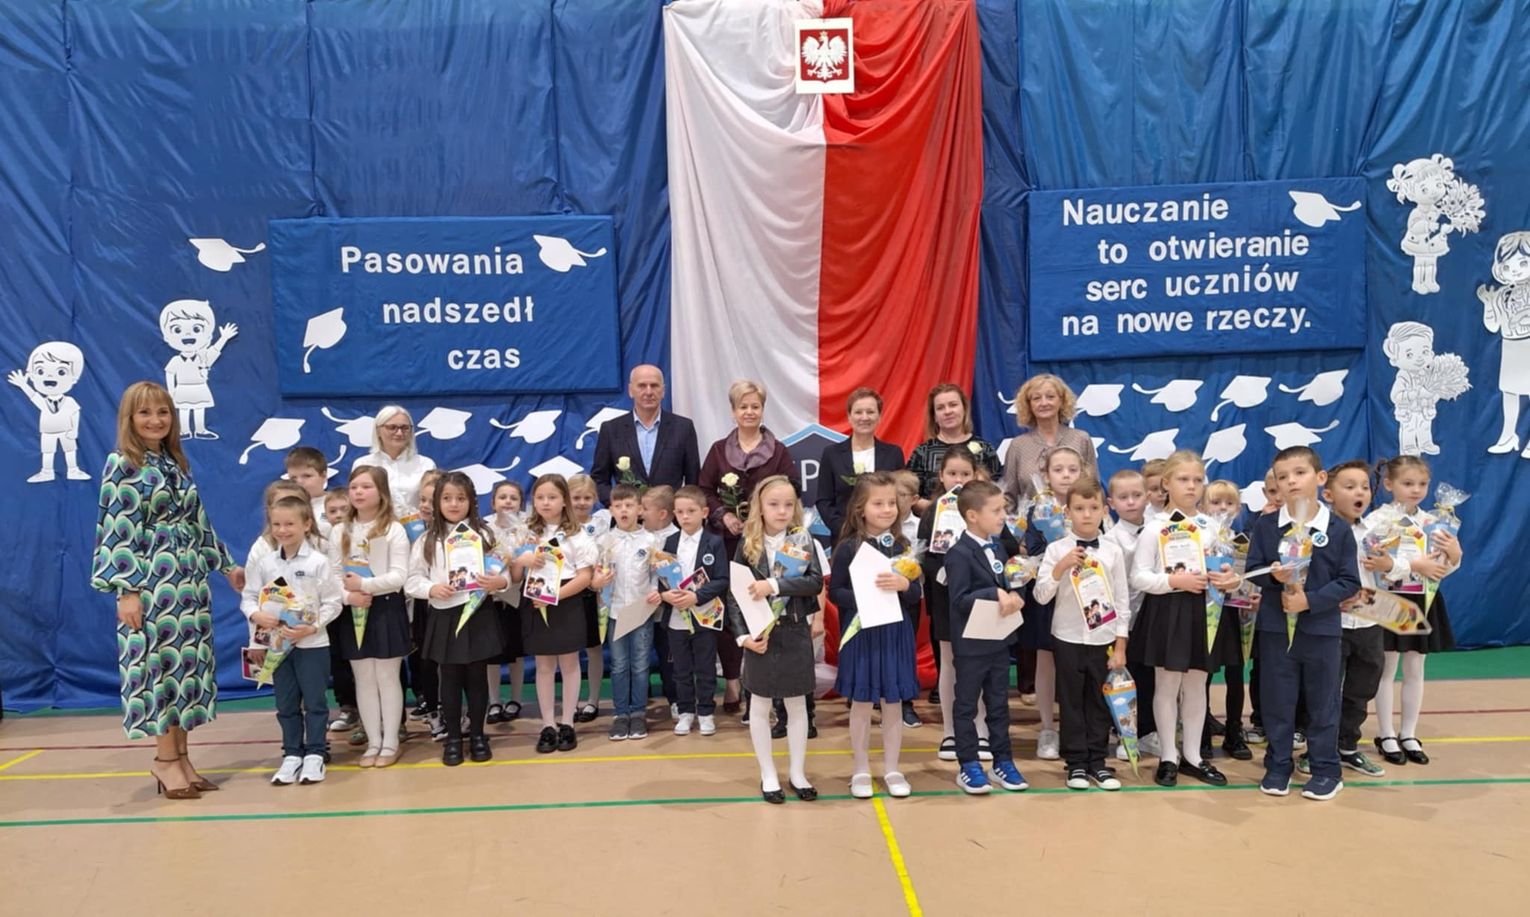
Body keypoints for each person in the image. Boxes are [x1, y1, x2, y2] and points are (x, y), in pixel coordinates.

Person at [91, 381, 245, 800]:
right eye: (145, 413)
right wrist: (126, 589)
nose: (155, 420)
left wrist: (226, 565)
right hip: (152, 583)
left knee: (185, 671)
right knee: (160, 669)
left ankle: (182, 758)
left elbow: (198, 520)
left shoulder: (174, 461)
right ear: (129, 418)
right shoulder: (123, 463)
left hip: (188, 583)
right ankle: (163, 760)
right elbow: (117, 528)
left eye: (163, 412)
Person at [1245, 446, 1361, 801]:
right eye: (1283, 476)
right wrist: (1274, 577)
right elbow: (1253, 570)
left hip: (1321, 631)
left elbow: (1349, 582)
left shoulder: (1338, 529)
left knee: (1323, 702)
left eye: (1300, 473)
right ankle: (1278, 764)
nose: (1291, 481)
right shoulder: (1266, 525)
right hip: (1276, 630)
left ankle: (1326, 769)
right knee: (1277, 701)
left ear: (1320, 478)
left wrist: (1310, 600)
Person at [1129, 450, 1243, 788]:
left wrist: (1230, 580)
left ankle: (1193, 756)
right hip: (1168, 611)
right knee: (1167, 685)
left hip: (1206, 611)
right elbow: (1139, 576)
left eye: (1197, 480)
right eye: (1183, 479)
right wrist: (1174, 581)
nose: (1191, 486)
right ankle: (1168, 755)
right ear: (1166, 483)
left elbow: (1229, 569)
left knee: (1196, 685)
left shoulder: (1213, 527)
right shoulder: (1155, 528)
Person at [700, 380, 795, 715]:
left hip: (765, 544)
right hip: (727, 544)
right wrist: (723, 515)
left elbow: (792, 489)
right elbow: (703, 490)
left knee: (764, 609)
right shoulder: (717, 450)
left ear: (762, 410)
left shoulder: (778, 451)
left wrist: (761, 518)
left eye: (755, 406)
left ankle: (763, 687)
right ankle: (732, 681)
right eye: (743, 406)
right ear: (733, 411)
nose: (749, 412)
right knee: (732, 612)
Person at [726, 476, 822, 804]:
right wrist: (743, 637)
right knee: (760, 703)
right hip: (760, 634)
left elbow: (814, 583)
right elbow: (736, 594)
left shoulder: (802, 539)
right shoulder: (747, 543)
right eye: (774, 504)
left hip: (794, 630)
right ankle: (768, 774)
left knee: (797, 704)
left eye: (788, 504)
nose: (782, 511)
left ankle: (797, 772)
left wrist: (775, 585)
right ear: (760, 507)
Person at [406, 472, 510, 766]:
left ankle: (477, 735)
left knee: (477, 678)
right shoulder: (427, 540)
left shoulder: (486, 535)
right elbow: (412, 580)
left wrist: (499, 583)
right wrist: (431, 589)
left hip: (478, 612)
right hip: (445, 614)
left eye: (461, 498)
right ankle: (453, 738)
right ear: (437, 502)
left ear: (472, 501)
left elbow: (503, 572)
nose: (454, 504)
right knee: (449, 679)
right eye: (447, 498)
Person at [1033, 477, 1129, 790]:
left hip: (1103, 638)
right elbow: (1040, 596)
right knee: (1071, 700)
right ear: (1067, 512)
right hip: (1067, 637)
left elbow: (1122, 601)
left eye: (1093, 508)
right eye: (1079, 508)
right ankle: (1075, 763)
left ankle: (1098, 762)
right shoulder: (1056, 549)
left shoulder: (1113, 552)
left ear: (1104, 510)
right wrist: (1060, 567)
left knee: (1099, 701)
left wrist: (1120, 645)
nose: (1086, 514)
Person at [831, 473, 922, 799]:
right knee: (861, 702)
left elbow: (915, 595)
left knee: (893, 703)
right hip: (862, 634)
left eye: (892, 503)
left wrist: (905, 585)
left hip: (895, 633)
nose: (887, 509)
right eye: (878, 503)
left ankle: (893, 769)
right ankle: (860, 769)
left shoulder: (903, 546)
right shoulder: (848, 548)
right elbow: (835, 592)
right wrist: (865, 594)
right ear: (860, 508)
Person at [1366, 455, 1461, 767]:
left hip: (1423, 599)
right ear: (1389, 484)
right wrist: (1406, 565)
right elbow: (1370, 561)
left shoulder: (1435, 522)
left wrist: (1454, 555)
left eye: (1422, 484)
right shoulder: (1377, 520)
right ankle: (1386, 733)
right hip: (1389, 600)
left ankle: (1408, 733)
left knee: (1416, 668)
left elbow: (1443, 568)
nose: (1416, 490)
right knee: (1385, 668)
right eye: (1408, 483)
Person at [242, 496, 342, 786]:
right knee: (285, 703)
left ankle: (315, 753)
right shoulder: (265, 563)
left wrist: (312, 627)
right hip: (277, 646)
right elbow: (249, 597)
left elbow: (333, 602)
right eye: (277, 524)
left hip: (312, 645)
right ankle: (292, 754)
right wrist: (256, 615)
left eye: (290, 524)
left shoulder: (318, 562)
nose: (283, 530)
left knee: (315, 701)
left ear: (306, 524)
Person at [943, 480, 1028, 795]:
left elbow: (1009, 581)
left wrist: (1016, 595)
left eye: (1003, 509)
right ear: (972, 515)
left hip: (999, 639)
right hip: (971, 644)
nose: (1003, 516)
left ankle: (1003, 760)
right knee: (966, 705)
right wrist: (994, 593)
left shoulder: (999, 547)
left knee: (999, 704)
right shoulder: (958, 553)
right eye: (996, 510)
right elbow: (959, 600)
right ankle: (968, 764)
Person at [1309, 460, 1388, 778]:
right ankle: (1317, 750)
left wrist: (1389, 565)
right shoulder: (1319, 533)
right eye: (1350, 486)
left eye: (1365, 487)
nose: (1360, 493)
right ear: (1328, 494)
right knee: (1325, 689)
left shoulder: (1375, 532)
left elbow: (1391, 575)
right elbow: (1308, 573)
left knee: (1362, 688)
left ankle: (1347, 746)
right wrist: (1331, 596)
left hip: (1369, 622)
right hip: (1332, 625)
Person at [331, 465, 411, 768]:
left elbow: (399, 576)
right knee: (363, 678)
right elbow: (332, 575)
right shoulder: (340, 531)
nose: (358, 492)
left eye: (366, 487)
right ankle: (373, 741)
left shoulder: (393, 529)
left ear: (381, 492)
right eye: (354, 487)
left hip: (385, 608)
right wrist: (348, 596)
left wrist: (365, 585)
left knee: (387, 677)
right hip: (353, 609)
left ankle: (390, 742)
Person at [511, 475, 597, 755]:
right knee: (544, 664)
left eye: (552, 497)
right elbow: (515, 576)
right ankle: (548, 724)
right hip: (535, 599)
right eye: (540, 497)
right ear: (533, 501)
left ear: (564, 501)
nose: (546, 503)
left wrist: (555, 596)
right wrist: (521, 560)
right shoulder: (525, 533)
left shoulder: (577, 535)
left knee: (570, 663)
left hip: (565, 599)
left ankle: (567, 722)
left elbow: (585, 577)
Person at [1020, 446, 1087, 761]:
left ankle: (1079, 726)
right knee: (1045, 661)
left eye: (1073, 469)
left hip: (1084, 594)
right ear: (1046, 475)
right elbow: (1031, 550)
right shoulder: (1038, 509)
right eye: (1058, 470)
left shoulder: (1088, 504)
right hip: (1049, 594)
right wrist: (1055, 548)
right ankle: (1047, 728)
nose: (1066, 475)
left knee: (1079, 663)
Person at [657, 486, 731, 738]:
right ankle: (686, 712)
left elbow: (722, 579)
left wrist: (697, 596)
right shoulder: (669, 542)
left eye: (691, 511)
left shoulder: (714, 542)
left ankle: (707, 712)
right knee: (681, 669)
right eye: (680, 512)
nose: (685, 516)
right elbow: (662, 579)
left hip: (704, 615)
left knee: (705, 667)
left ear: (705, 512)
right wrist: (666, 595)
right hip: (677, 617)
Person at [1102, 469, 1161, 762]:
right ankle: (1123, 733)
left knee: (1150, 675)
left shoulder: (1159, 530)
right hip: (1123, 619)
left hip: (1154, 615)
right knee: (1124, 678)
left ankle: (1148, 732)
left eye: (1137, 495)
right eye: (1123, 497)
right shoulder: (1110, 539)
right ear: (1111, 503)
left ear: (1147, 497)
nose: (1131, 502)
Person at [594, 485, 662, 740]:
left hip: (641, 611)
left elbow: (656, 574)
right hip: (614, 612)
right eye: (618, 506)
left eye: (629, 505)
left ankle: (638, 714)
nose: (624, 510)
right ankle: (621, 714)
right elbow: (596, 575)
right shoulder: (604, 541)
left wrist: (655, 592)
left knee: (641, 665)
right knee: (619, 665)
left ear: (640, 509)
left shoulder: (652, 541)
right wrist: (598, 582)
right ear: (611, 510)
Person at [591, 364, 702, 504]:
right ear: (630, 390)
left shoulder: (683, 428)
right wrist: (618, 505)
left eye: (654, 386)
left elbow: (694, 480)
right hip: (628, 515)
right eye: (642, 386)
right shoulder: (611, 430)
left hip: (670, 514)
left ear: (663, 391)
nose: (648, 392)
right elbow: (599, 479)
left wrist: (682, 509)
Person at [816, 388, 906, 541]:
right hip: (844, 539)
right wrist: (845, 530)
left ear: (879, 416)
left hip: (885, 537)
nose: (864, 417)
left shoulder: (894, 454)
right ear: (849, 417)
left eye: (870, 412)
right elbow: (824, 501)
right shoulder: (831, 454)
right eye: (858, 412)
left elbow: (899, 497)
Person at [999, 374, 1099, 507]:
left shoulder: (1081, 439)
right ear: (1029, 405)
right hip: (1030, 519)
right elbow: (1009, 497)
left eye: (1050, 397)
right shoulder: (1018, 445)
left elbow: (1094, 488)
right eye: (1036, 398)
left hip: (1077, 518)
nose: (1044, 403)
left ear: (1062, 401)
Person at [906, 384, 1001, 513]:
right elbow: (909, 496)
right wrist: (941, 508)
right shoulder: (923, 452)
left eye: (953, 405)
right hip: (934, 522)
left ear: (964, 409)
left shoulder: (985, 449)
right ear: (934, 416)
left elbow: (998, 491)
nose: (947, 411)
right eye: (940, 408)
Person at [567, 474, 610, 723]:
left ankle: (593, 700)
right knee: (568, 651)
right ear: (566, 498)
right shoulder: (561, 527)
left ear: (594, 499)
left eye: (587, 497)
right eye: (576, 497)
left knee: (594, 649)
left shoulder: (602, 525)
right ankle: (570, 702)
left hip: (595, 594)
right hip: (568, 593)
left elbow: (606, 558)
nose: (582, 503)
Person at [484, 481, 527, 724]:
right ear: (493, 503)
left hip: (516, 598)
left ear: (521, 504)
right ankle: (494, 701)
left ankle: (516, 699)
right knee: (491, 654)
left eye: (513, 498)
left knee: (515, 652)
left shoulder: (525, 530)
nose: (508, 501)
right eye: (502, 497)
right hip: (489, 599)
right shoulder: (483, 529)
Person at [353, 405, 437, 512]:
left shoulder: (426, 465)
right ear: (378, 431)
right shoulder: (363, 464)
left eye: (405, 428)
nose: (399, 433)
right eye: (392, 427)